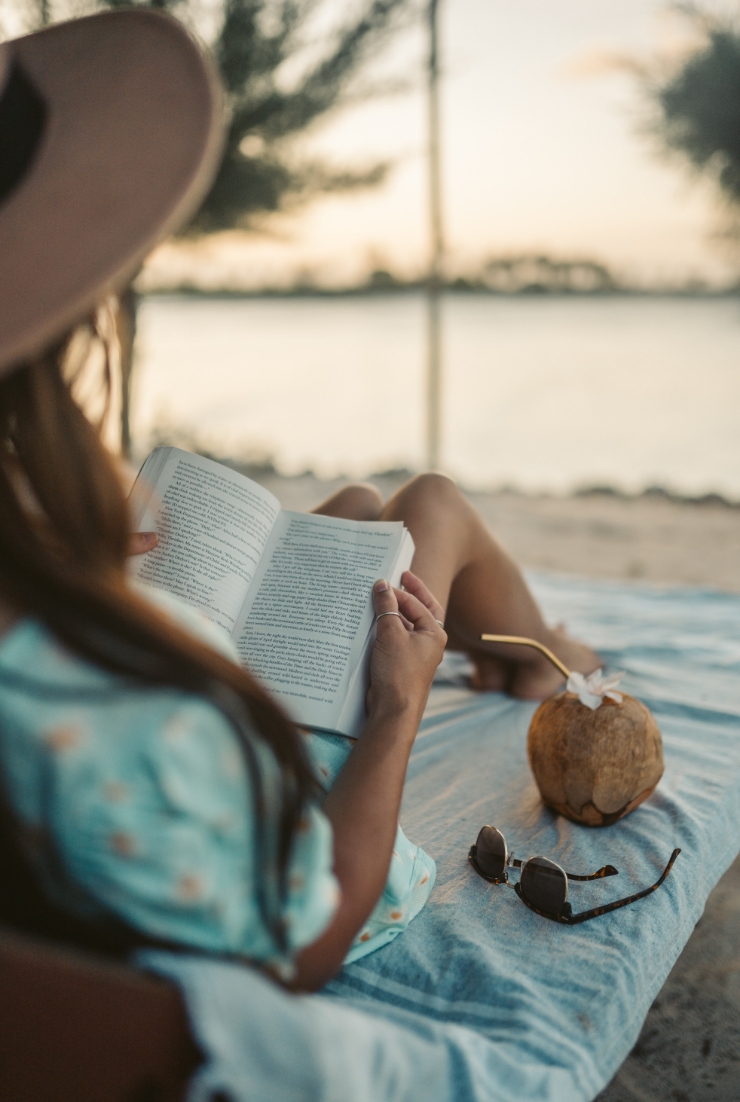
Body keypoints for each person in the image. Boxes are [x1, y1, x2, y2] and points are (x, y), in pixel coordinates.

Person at [0, 10, 598, 994]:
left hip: (194, 691)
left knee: (361, 508)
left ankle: (511, 651)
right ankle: (540, 663)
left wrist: (86, 567)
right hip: (309, 827)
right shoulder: (89, 707)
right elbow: (303, 931)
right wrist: (400, 705)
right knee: (429, 507)